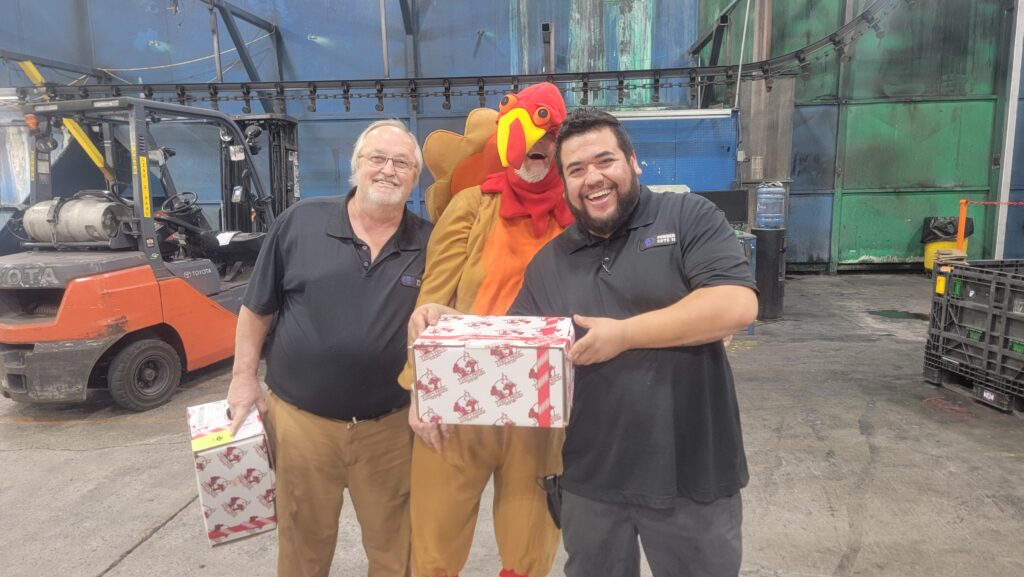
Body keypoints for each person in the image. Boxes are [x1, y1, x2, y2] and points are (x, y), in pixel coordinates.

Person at [226, 119, 432, 577]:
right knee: (302, 546)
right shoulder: (300, 222)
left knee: (397, 548)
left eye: (401, 163)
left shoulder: (431, 242)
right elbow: (256, 308)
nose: (388, 170)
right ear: (355, 166)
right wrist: (243, 380)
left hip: (391, 430)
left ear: (415, 177)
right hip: (302, 425)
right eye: (376, 158)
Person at [399, 82, 572, 577]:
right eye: (532, 136)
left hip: (541, 403)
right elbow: (430, 303)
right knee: (435, 537)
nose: (540, 149)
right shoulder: (473, 205)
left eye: (552, 138)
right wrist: (420, 390)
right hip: (459, 392)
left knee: (531, 539)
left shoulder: (579, 217)